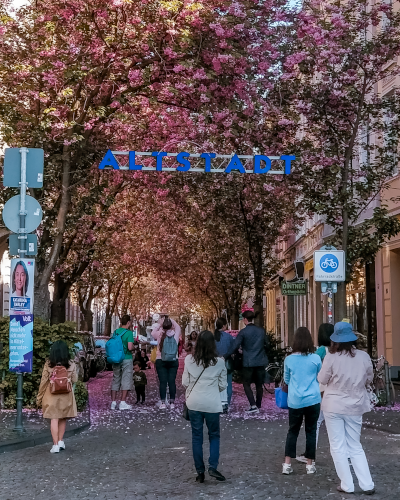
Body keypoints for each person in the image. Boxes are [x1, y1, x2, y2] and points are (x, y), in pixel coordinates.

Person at [318, 322, 375, 495]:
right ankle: (367, 484)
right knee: (355, 445)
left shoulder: (331, 357)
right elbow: (369, 379)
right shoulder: (363, 357)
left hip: (334, 405)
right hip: (355, 405)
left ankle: (347, 484)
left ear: (335, 340)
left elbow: (322, 379)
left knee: (337, 446)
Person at [182, 330, 227, 483]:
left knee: (197, 437)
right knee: (214, 435)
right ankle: (212, 466)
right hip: (212, 404)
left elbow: (185, 383)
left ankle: (199, 471)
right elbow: (223, 385)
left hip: (194, 403)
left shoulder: (189, 360)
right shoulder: (220, 362)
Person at [282, 327, 321, 475]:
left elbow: (286, 379)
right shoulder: (315, 358)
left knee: (293, 431)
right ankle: (310, 465)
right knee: (311, 431)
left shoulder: (289, 359)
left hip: (295, 400)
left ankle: (287, 464)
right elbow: (320, 376)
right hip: (313, 399)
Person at [296, 322, 334, 464]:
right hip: (334, 389)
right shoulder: (336, 350)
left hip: (322, 390)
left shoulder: (321, 351)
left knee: (315, 423)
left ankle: (309, 453)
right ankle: (346, 453)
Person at [36, 340, 78, 453]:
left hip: (51, 395)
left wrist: (39, 398)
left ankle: (55, 445)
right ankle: (60, 441)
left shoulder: (49, 364)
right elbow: (75, 380)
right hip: (66, 395)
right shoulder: (71, 363)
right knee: (63, 418)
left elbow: (43, 382)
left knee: (54, 419)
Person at [224, 310, 268, 413]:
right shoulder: (261, 331)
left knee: (246, 383)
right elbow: (267, 344)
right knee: (259, 384)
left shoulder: (243, 332)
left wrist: (226, 356)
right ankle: (258, 405)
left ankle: (253, 405)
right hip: (260, 360)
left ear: (245, 319)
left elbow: (234, 346)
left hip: (248, 361)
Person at [152, 315, 181, 409]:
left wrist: (160, 324)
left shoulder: (159, 334)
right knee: (172, 381)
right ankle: (172, 403)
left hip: (161, 360)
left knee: (163, 382)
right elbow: (178, 327)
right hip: (173, 360)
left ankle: (163, 403)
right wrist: (170, 320)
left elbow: (152, 333)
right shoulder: (175, 334)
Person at [111, 315, 135, 410]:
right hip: (126, 358)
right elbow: (130, 347)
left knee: (116, 378)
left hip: (116, 358)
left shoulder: (115, 332)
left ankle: (113, 403)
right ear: (128, 322)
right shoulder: (129, 333)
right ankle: (122, 402)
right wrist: (134, 347)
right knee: (125, 379)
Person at [214, 317, 234, 413]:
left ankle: (217, 403)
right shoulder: (228, 337)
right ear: (224, 326)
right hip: (226, 362)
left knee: (215, 383)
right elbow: (233, 348)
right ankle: (227, 404)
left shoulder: (212, 337)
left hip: (214, 363)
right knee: (228, 383)